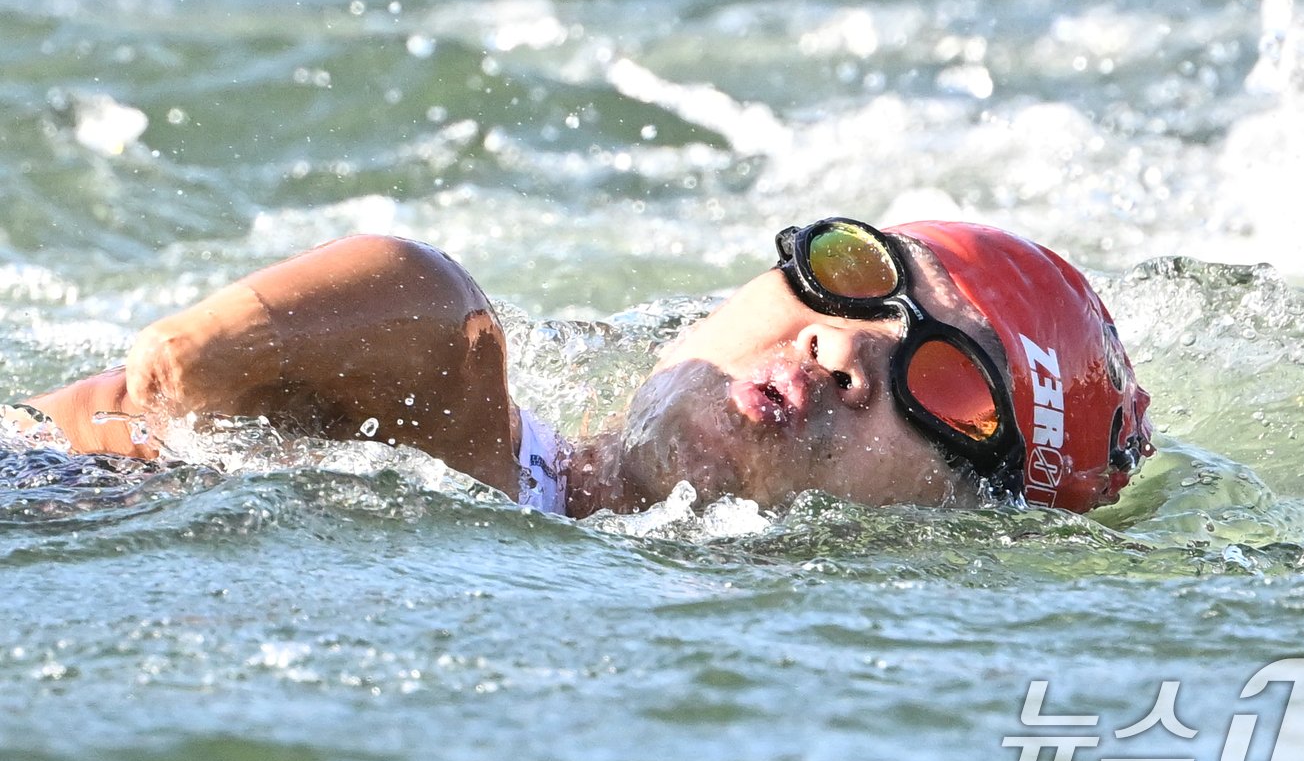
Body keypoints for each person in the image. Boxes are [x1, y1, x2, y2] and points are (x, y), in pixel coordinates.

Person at [2, 217, 1153, 517]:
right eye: (855, 275)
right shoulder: (429, 336)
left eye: (942, 382)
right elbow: (167, 379)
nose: (845, 347)